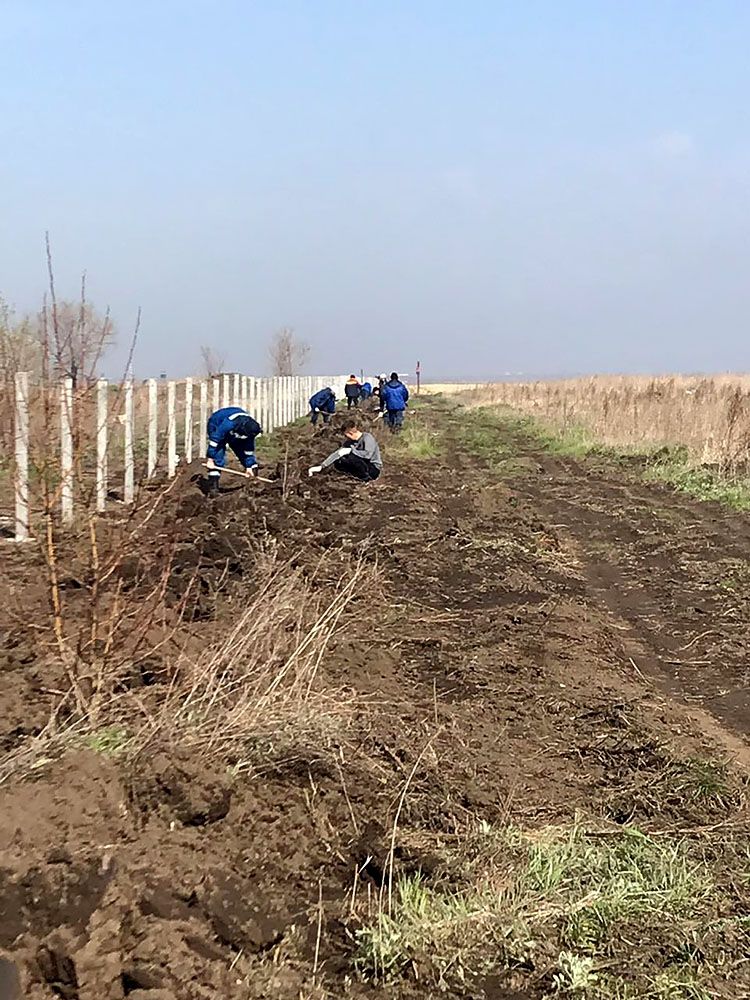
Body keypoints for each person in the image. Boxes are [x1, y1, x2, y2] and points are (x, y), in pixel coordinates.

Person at [205, 406, 262, 495]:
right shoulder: (228, 424)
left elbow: (248, 450)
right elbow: (214, 441)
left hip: (235, 431)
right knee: (218, 455)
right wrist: (210, 459)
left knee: (241, 450)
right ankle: (213, 488)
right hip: (216, 424)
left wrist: (249, 466)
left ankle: (253, 482)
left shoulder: (250, 429)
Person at [308, 417, 382, 482]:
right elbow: (338, 453)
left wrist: (351, 451)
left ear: (350, 433)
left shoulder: (367, 438)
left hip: (373, 468)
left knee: (352, 457)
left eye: (346, 435)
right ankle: (354, 476)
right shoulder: (350, 442)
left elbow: (368, 455)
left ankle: (365, 478)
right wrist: (322, 466)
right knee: (339, 461)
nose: (346, 437)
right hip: (361, 465)